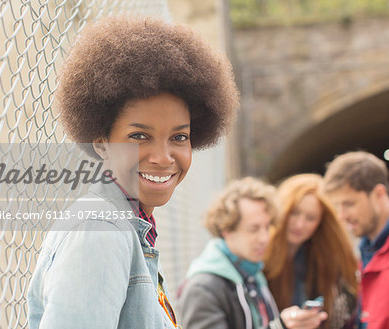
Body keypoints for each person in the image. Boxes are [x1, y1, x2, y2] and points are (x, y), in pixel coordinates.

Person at [27, 16, 239, 328]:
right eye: (139, 136)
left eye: (179, 137)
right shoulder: (100, 231)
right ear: (102, 144)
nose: (163, 157)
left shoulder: (132, 224)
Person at [177, 177, 327, 329]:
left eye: (267, 227)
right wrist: (279, 326)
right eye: (253, 229)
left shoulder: (252, 274)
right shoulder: (203, 289)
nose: (264, 238)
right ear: (227, 230)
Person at [264, 174, 358, 329]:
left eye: (310, 218)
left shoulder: (327, 260)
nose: (299, 224)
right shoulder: (260, 255)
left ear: (320, 222)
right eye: (294, 213)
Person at [323, 151, 389, 329]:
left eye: (349, 204)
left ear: (379, 193)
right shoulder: (364, 251)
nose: (341, 216)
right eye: (337, 206)